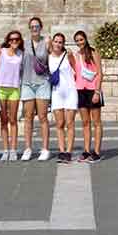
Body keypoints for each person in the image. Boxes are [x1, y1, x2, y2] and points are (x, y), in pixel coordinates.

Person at [20, 16, 51, 161]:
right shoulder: (24, 43)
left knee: (43, 117)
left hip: (42, 83)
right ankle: (28, 148)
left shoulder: (47, 42)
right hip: (27, 83)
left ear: (41, 27)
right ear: (29, 28)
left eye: (37, 26)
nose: (34, 29)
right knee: (28, 117)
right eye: (32, 26)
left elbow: (55, 56)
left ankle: (45, 148)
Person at [73, 30, 104, 162]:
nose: (80, 42)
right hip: (80, 90)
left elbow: (100, 73)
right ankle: (86, 150)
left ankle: (96, 152)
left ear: (85, 39)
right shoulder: (76, 55)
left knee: (96, 122)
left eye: (81, 39)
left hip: (93, 90)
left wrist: (97, 91)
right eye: (77, 40)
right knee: (85, 122)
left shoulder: (93, 52)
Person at [48, 33, 77, 163]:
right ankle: (62, 150)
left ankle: (69, 152)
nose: (58, 44)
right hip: (57, 93)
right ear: (52, 43)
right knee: (59, 124)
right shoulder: (48, 57)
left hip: (70, 91)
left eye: (60, 42)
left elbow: (76, 68)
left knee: (70, 123)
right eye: (56, 41)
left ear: (63, 44)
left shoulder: (68, 55)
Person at [0, 30, 24, 161]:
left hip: (14, 89)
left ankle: (13, 149)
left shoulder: (21, 54)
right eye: (12, 39)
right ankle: (5, 149)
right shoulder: (1, 51)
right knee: (3, 120)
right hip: (1, 88)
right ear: (8, 41)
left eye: (17, 39)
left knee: (13, 120)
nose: (14, 41)